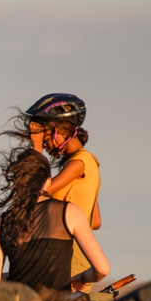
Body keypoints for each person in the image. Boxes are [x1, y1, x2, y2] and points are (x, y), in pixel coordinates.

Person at [0, 146, 110, 301]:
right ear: (48, 181)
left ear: (16, 183)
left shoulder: (3, 221)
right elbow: (102, 269)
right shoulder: (70, 212)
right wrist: (83, 278)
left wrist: (17, 278)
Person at [23, 93, 101, 283]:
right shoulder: (84, 163)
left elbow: (39, 192)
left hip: (67, 259)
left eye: (45, 137)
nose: (44, 144)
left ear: (59, 130)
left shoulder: (80, 162)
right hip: (71, 257)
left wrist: (36, 148)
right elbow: (95, 221)